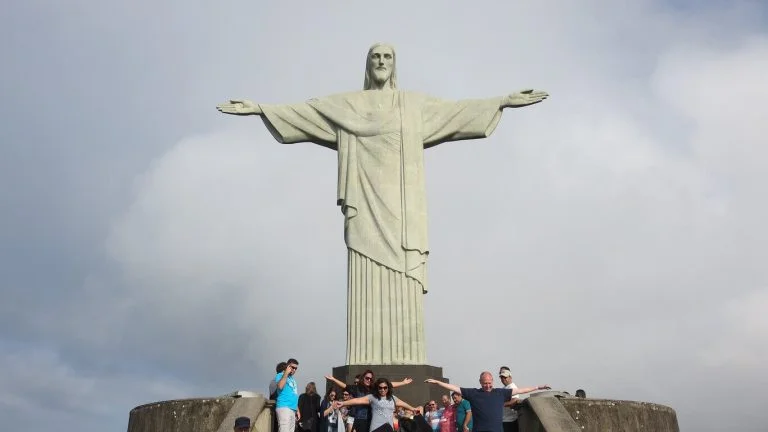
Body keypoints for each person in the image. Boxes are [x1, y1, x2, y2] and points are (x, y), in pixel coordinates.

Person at [216, 44, 549, 366]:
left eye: (387, 56)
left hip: (403, 206)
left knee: (404, 269)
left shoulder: (412, 104)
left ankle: (407, 356)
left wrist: (502, 101)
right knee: (364, 266)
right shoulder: (347, 105)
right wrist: (261, 108)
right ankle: (365, 355)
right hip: (363, 201)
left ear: (394, 64)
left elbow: (456, 111)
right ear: (367, 63)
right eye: (375, 56)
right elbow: (307, 113)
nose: (381, 61)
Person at [425, 373, 550, 432]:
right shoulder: (474, 393)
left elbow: (520, 390)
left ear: (493, 381)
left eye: (489, 383)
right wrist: (437, 382)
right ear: (480, 382)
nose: (488, 385)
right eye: (485, 383)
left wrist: (538, 387)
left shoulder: (500, 393)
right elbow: (455, 388)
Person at [326, 371, 413, 432]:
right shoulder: (357, 388)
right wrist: (334, 379)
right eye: (367, 378)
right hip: (360, 419)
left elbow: (388, 384)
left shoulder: (374, 388)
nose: (369, 380)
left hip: (371, 419)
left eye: (371, 379)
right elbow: (346, 388)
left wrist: (403, 383)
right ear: (363, 378)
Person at [276, 358, 301, 432]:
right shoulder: (280, 375)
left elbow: (294, 395)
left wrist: (297, 410)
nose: (294, 370)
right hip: (284, 407)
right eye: (292, 367)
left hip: (293, 409)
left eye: (296, 368)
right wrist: (286, 373)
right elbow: (280, 386)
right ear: (287, 366)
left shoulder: (293, 379)